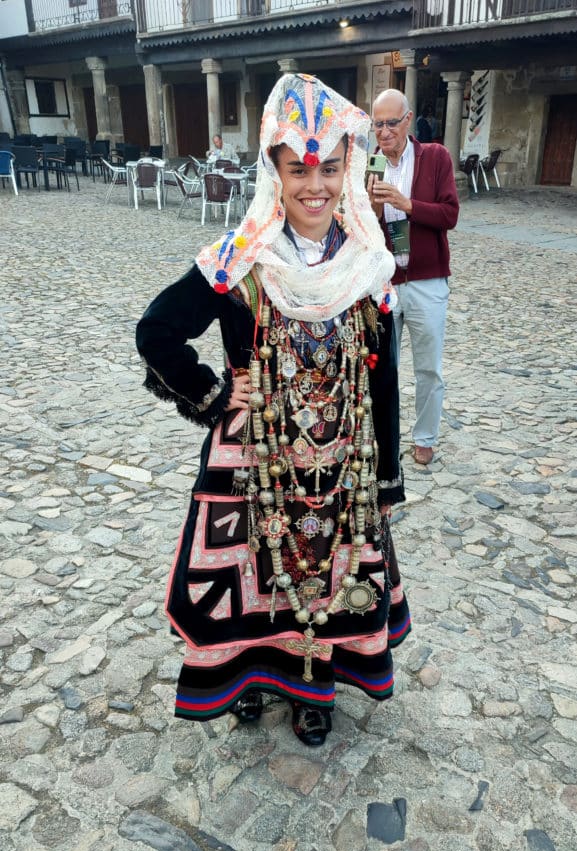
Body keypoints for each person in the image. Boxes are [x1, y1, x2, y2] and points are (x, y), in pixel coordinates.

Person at [136, 73, 411, 748]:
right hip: (252, 453)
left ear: (347, 167)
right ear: (275, 171)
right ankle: (252, 679)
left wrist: (383, 481)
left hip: (341, 456)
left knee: (326, 570)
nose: (314, 186)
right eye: (297, 169)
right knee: (255, 574)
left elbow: (382, 379)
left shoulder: (366, 263)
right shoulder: (241, 257)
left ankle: (314, 690)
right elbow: (156, 331)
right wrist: (211, 392)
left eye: (327, 168)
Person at [368, 89, 459, 465]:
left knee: (428, 368)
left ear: (408, 120)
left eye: (392, 122)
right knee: (381, 366)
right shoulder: (370, 164)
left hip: (426, 280)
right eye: (378, 124)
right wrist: (372, 210)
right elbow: (362, 230)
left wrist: (406, 204)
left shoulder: (435, 157)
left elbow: (449, 215)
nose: (385, 131)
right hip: (385, 282)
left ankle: (425, 437)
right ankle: (382, 437)